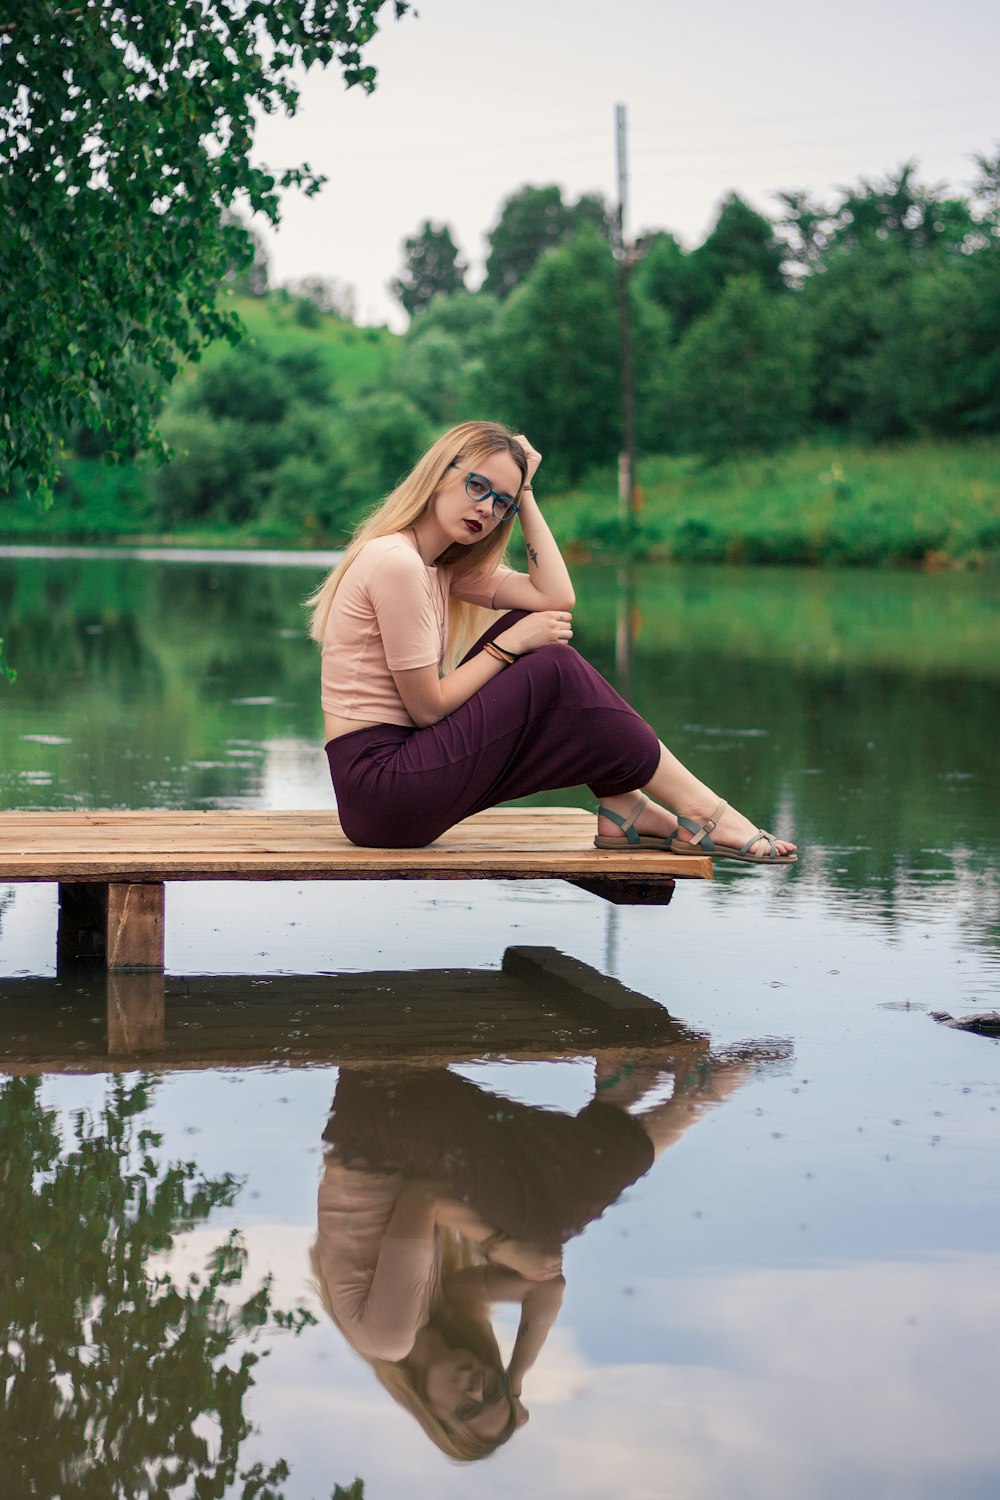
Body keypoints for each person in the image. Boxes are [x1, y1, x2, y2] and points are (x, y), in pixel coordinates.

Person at [308, 421, 796, 862]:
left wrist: (528, 495)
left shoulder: (438, 567)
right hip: (383, 791)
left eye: (502, 502)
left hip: (391, 788)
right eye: (477, 486)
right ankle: (702, 811)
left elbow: (554, 596)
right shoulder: (399, 563)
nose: (486, 509)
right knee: (552, 664)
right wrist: (508, 647)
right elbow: (428, 710)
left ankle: (624, 806)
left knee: (537, 637)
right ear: (439, 473)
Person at [311, 1051, 764, 1460]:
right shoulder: (435, 1312)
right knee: (542, 1225)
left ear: (432, 1411)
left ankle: (688, 1102)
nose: (476, 1387)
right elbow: (546, 1283)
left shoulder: (390, 1337)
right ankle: (622, 1094)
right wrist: (515, 1378)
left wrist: (500, 1245)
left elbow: (422, 1195)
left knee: (541, 1222)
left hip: (377, 1121)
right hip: (392, 1120)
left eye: (468, 1407)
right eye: (491, 1393)